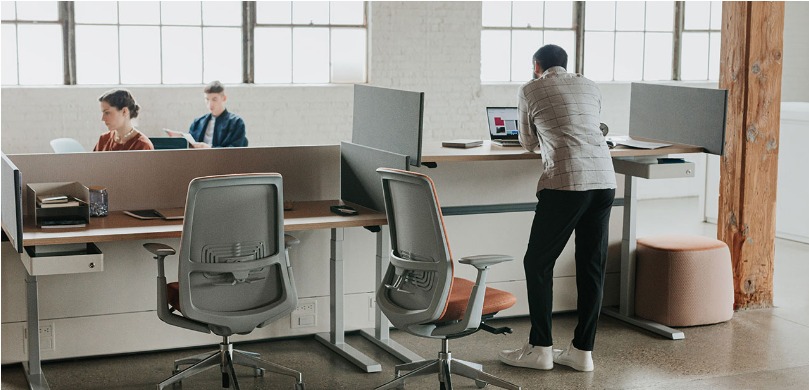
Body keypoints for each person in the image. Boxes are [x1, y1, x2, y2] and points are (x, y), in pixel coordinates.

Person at [498, 44, 617, 372]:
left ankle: (540, 348)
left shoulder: (530, 89)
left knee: (537, 262)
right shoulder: (590, 86)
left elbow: (527, 142)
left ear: (536, 65)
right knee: (591, 265)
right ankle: (582, 352)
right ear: (566, 65)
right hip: (605, 180)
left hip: (567, 182)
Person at [187, 80, 248, 148]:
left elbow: (235, 151)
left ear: (224, 98)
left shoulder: (236, 123)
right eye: (207, 99)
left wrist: (209, 149)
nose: (210, 104)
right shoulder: (197, 123)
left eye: (214, 99)